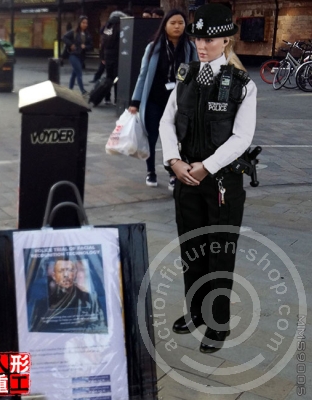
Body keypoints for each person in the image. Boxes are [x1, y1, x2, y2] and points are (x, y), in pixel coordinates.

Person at [159, 3, 257, 354]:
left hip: (220, 184)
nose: (202, 45)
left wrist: (206, 166)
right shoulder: (186, 77)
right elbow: (167, 122)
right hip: (185, 179)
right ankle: (196, 311)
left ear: (226, 41)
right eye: (198, 37)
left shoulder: (242, 85)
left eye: (210, 40)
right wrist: (173, 160)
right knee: (191, 248)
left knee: (219, 253)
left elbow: (242, 138)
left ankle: (217, 322)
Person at [128, 9, 197, 190]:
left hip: (178, 103)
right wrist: (135, 102)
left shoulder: (189, 48)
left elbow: (196, 74)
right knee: (151, 137)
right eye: (173, 23)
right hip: (154, 101)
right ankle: (151, 171)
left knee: (174, 140)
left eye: (181, 23)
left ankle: (173, 173)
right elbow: (143, 75)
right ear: (165, 25)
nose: (177, 26)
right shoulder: (153, 47)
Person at [30, 259, 106, 333]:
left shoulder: (90, 300)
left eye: (69, 270)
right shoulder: (41, 304)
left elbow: (100, 327)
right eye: (61, 271)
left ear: (75, 274)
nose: (66, 275)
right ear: (54, 276)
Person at [100, 11, 127, 104]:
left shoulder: (107, 27)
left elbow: (102, 43)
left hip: (107, 55)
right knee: (116, 78)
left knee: (108, 78)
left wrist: (102, 56)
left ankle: (107, 98)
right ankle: (116, 98)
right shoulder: (119, 27)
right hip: (116, 56)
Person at [62, 16, 93, 95]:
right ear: (79, 23)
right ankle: (83, 91)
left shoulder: (87, 34)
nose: (85, 24)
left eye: (86, 23)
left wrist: (85, 46)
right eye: (83, 23)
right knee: (79, 72)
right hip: (73, 55)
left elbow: (91, 46)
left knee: (74, 73)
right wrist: (71, 44)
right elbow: (64, 37)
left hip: (81, 56)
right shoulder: (74, 32)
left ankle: (70, 90)